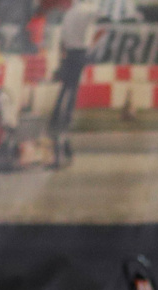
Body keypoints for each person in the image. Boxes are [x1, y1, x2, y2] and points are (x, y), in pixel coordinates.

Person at [46, 0, 100, 168]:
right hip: (80, 52)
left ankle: (57, 116)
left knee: (65, 88)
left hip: (68, 53)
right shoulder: (87, 10)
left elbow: (62, 38)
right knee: (73, 89)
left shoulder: (69, 13)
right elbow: (99, 17)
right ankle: (66, 118)